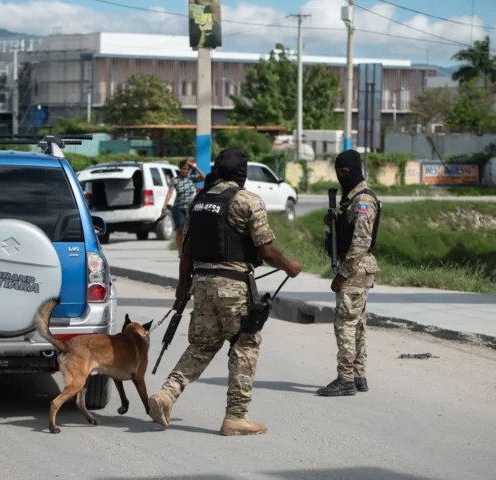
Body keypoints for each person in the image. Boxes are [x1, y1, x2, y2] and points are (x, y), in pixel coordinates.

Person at [148, 147, 302, 436]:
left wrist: (183, 288)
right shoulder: (247, 201)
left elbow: (187, 251)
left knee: (201, 345)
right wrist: (289, 267)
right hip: (233, 286)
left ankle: (167, 393)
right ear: (242, 173)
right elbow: (266, 249)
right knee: (245, 345)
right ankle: (236, 416)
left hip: (202, 284)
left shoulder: (198, 201)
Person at [317, 149, 381, 397]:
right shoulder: (350, 199)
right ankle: (358, 375)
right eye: (338, 173)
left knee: (345, 323)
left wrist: (342, 274)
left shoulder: (363, 200)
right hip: (358, 267)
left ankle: (345, 378)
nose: (342, 177)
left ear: (355, 170)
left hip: (355, 268)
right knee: (357, 324)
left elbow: (361, 242)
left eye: (345, 172)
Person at [163, 159, 205, 255]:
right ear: (180, 169)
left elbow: (203, 177)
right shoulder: (175, 180)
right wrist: (165, 204)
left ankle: (192, 249)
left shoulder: (191, 179)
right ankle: (180, 251)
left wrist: (194, 167)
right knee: (180, 230)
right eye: (183, 168)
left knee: (192, 229)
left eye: (187, 169)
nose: (185, 171)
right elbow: (170, 193)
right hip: (178, 208)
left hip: (190, 208)